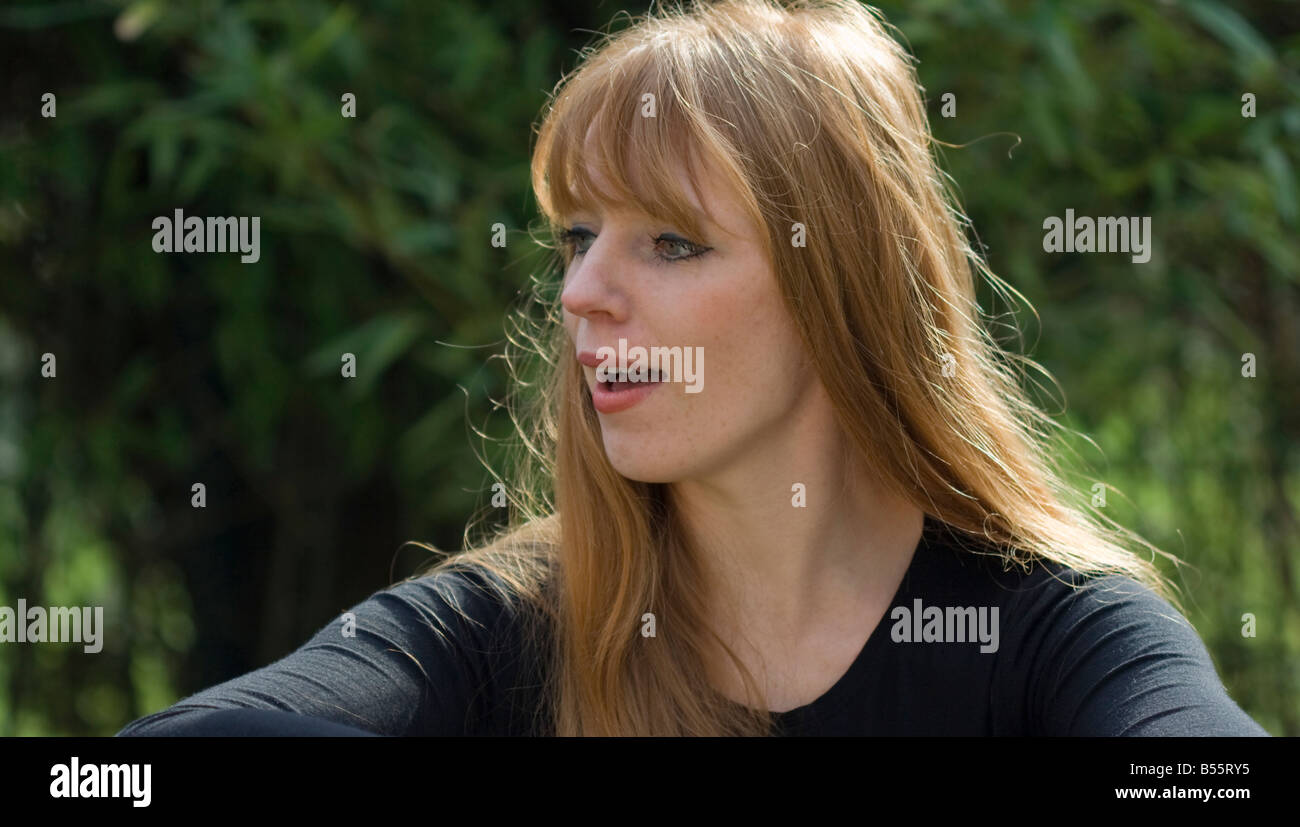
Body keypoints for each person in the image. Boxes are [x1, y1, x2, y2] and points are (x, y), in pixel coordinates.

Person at [117, 0, 1268, 737]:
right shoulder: (511, 626)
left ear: (842, 283)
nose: (581, 294)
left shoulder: (1053, 632)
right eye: (578, 236)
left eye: (670, 242)